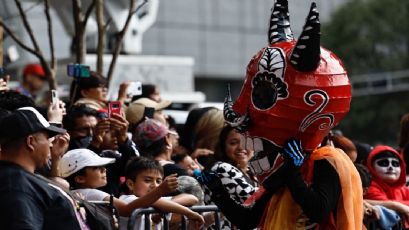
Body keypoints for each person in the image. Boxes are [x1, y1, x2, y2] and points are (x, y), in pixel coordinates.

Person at [197, 0, 362, 229]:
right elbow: (248, 218)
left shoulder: (329, 162)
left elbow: (318, 209)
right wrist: (216, 189)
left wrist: (293, 173)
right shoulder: (282, 168)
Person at [0, 107, 83, 229]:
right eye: (47, 138)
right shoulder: (16, 186)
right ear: (30, 141)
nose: (51, 144)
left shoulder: (16, 180)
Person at [59, 148, 180, 218]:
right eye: (97, 167)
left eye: (103, 166)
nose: (104, 170)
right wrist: (160, 190)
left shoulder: (78, 193)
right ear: (80, 178)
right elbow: (127, 209)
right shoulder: (90, 193)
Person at [120, 157, 204, 230]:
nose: (155, 185)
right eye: (147, 180)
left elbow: (192, 198)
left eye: (158, 181)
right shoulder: (126, 200)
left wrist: (164, 207)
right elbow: (155, 201)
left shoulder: (160, 203)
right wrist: (189, 213)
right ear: (131, 184)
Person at [365, 145, 409, 227]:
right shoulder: (369, 188)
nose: (391, 167)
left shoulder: (402, 189)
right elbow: (385, 203)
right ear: (371, 167)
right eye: (384, 163)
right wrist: (397, 206)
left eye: (395, 164)